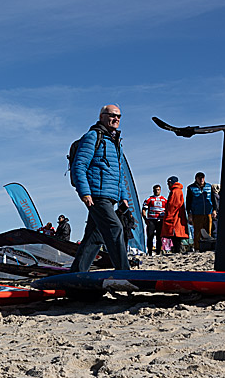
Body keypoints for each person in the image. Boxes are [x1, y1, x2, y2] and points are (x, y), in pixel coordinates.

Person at [68, 105, 132, 272]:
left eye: (119, 116)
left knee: (95, 237)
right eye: (112, 115)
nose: (116, 119)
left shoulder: (115, 141)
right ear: (102, 116)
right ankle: (124, 272)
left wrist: (123, 196)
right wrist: (85, 192)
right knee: (115, 228)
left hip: (110, 196)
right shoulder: (92, 136)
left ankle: (77, 273)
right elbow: (79, 165)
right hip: (97, 194)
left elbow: (119, 173)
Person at [185, 172, 218, 246]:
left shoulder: (209, 186)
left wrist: (215, 209)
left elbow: (213, 199)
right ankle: (197, 247)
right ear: (196, 178)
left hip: (208, 212)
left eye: (202, 177)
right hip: (196, 213)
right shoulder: (191, 188)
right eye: (199, 178)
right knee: (197, 232)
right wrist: (189, 212)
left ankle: (208, 246)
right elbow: (188, 201)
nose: (201, 179)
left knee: (208, 231)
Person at [161, 177, 189, 253]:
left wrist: (168, 215)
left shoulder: (175, 191)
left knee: (175, 234)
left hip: (175, 217)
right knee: (176, 234)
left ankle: (177, 250)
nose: (168, 185)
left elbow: (173, 205)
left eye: (168, 183)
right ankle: (177, 250)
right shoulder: (176, 190)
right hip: (177, 216)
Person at [142, 184, 167, 255]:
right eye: (155, 190)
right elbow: (143, 210)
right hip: (151, 220)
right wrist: (145, 219)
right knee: (150, 236)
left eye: (158, 189)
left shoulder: (164, 200)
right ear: (153, 190)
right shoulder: (149, 199)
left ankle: (158, 252)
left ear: (160, 190)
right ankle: (149, 252)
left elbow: (168, 210)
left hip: (160, 220)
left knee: (159, 237)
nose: (157, 191)